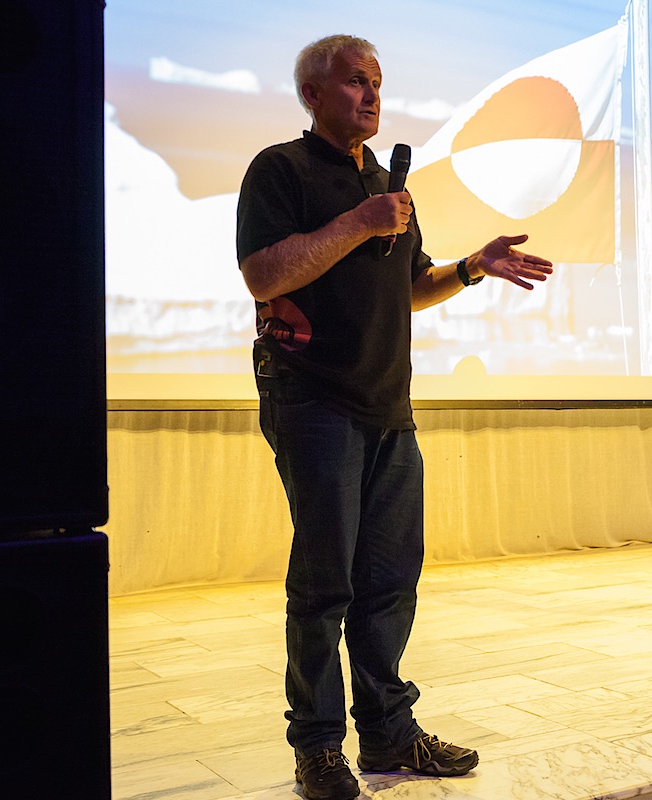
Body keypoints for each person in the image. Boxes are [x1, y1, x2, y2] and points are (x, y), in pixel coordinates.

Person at [236, 35, 553, 800]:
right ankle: (317, 747)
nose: (372, 95)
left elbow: (409, 286)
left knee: (389, 584)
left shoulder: (387, 186)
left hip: (388, 406)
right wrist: (358, 221)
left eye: (377, 81)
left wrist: (472, 267)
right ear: (314, 95)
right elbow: (263, 273)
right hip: (312, 399)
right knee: (323, 588)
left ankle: (387, 732)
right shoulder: (281, 170)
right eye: (354, 82)